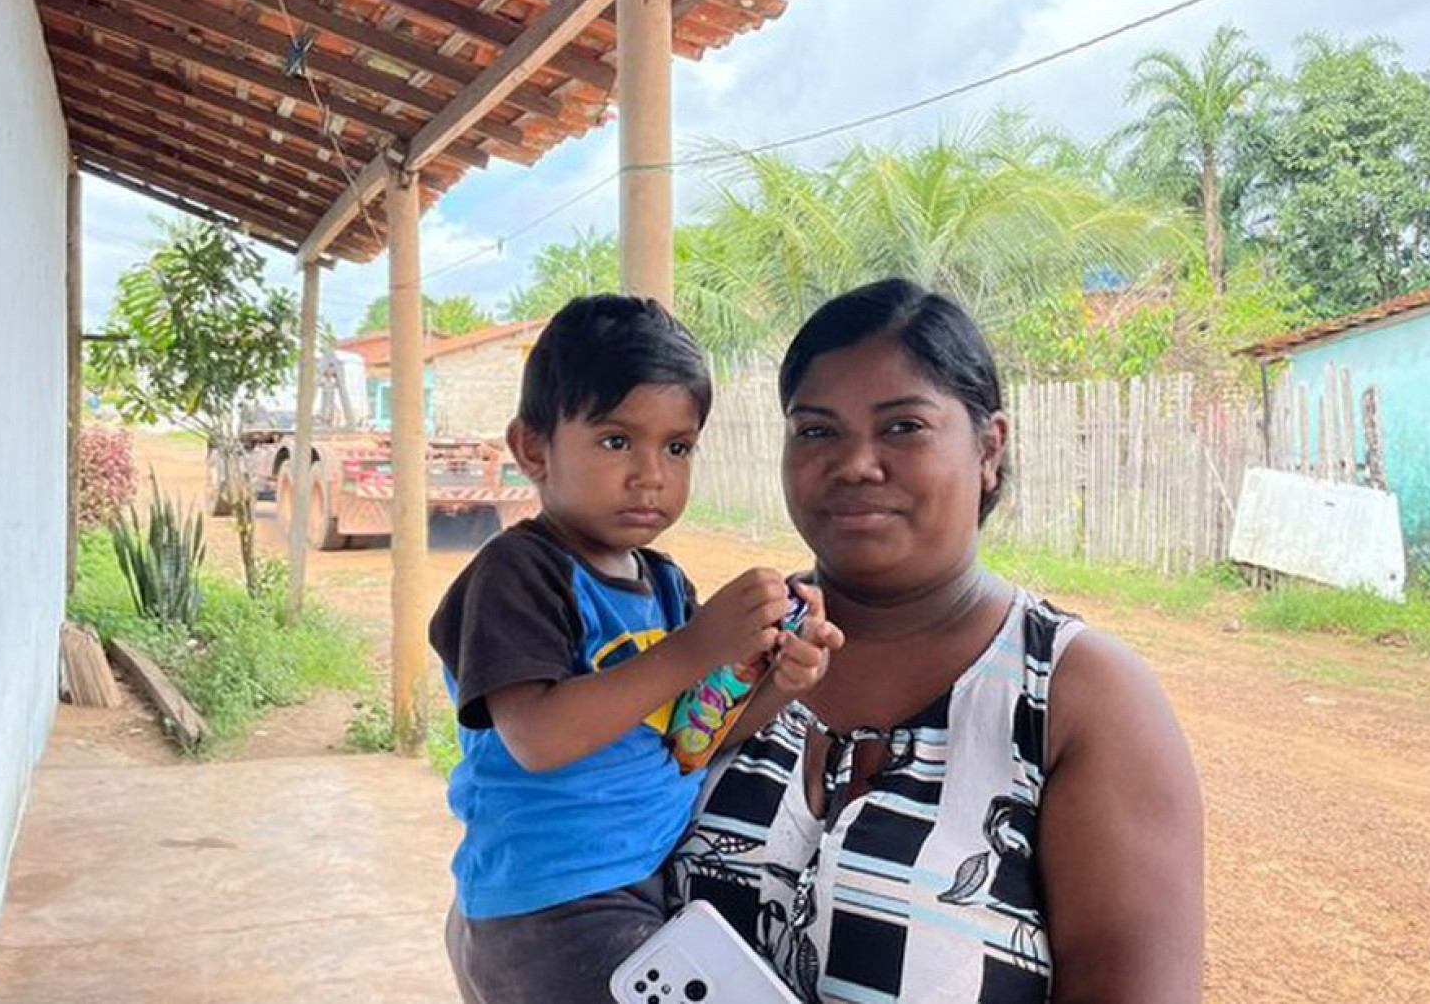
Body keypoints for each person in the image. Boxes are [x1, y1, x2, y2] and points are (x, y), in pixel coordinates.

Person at [672, 279, 1205, 1003]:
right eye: (817, 430)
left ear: (989, 447)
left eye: (902, 427)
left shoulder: (1074, 695)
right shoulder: (730, 643)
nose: (856, 463)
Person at [429, 295, 842, 1004]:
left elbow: (691, 739)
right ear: (534, 448)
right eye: (617, 440)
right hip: (550, 903)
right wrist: (695, 645)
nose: (650, 474)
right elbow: (538, 737)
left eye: (676, 447)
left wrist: (777, 680)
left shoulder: (663, 583)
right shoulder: (519, 574)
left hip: (627, 885)